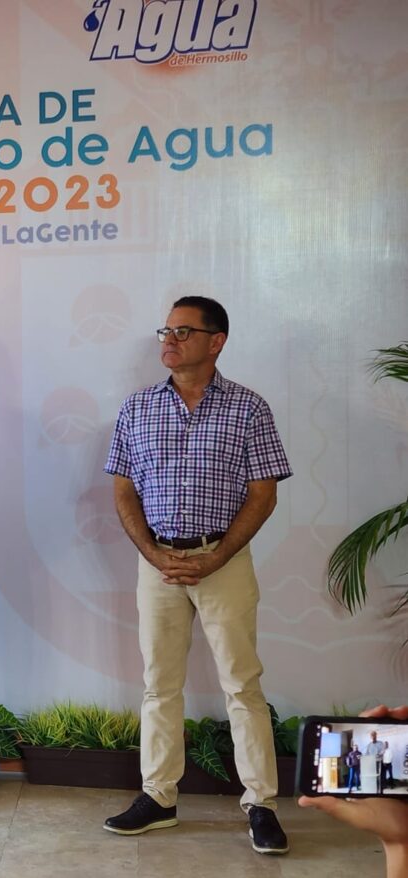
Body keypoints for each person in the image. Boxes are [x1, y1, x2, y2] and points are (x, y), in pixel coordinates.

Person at [102, 296, 292, 855]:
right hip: (157, 563)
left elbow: (263, 493)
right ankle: (158, 798)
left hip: (223, 561)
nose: (170, 338)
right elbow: (122, 489)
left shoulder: (249, 408)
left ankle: (261, 804)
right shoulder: (137, 408)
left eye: (184, 331)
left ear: (217, 341)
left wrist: (218, 555)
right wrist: (151, 552)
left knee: (242, 685)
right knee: (159, 684)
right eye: (166, 329)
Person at [301, 706, 408, 878]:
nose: (373, 737)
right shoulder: (361, 750)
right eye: (372, 735)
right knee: (355, 780)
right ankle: (354, 789)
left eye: (374, 735)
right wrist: (400, 842)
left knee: (376, 780)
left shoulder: (380, 745)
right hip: (362, 766)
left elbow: (378, 754)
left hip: (378, 765)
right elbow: (364, 756)